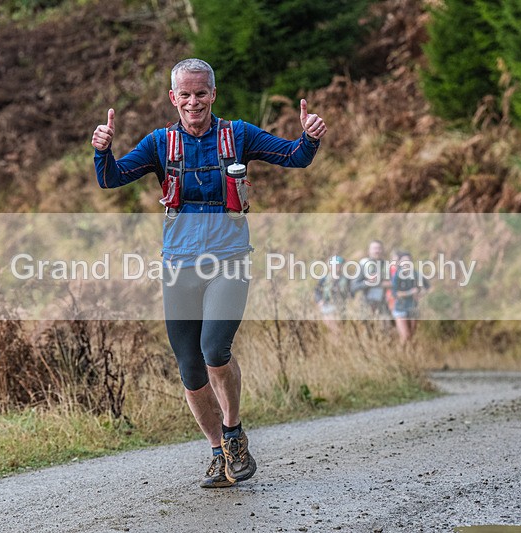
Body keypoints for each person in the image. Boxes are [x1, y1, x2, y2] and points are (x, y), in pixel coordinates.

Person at [91, 58, 326, 487]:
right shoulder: (159, 143)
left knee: (215, 349)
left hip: (229, 259)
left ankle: (234, 432)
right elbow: (111, 178)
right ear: (173, 98)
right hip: (179, 265)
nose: (194, 102)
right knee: (190, 369)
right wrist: (102, 149)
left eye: (202, 93)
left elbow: (293, 156)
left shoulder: (238, 135)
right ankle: (218, 452)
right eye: (186, 95)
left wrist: (308, 139)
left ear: (213, 94)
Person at [350, 240, 392, 320]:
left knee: (386, 330)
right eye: (374, 248)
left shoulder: (386, 265)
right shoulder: (363, 264)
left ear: (382, 250)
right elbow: (354, 286)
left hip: (383, 305)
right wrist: (369, 283)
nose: (377, 251)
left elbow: (392, 283)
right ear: (369, 251)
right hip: (366, 305)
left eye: (379, 248)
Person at [391, 251, 426, 343]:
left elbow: (425, 288)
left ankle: (410, 356)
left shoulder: (416, 274)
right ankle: (399, 355)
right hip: (400, 309)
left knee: (412, 336)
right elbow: (395, 293)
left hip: (413, 308)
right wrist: (410, 292)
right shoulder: (397, 276)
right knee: (405, 336)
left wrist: (420, 294)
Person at [314, 255, 350, 326]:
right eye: (335, 265)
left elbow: (351, 291)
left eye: (339, 265)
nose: (337, 267)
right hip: (327, 306)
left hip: (341, 307)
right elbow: (317, 291)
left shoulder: (346, 279)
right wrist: (319, 300)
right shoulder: (324, 279)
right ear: (330, 266)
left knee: (341, 327)